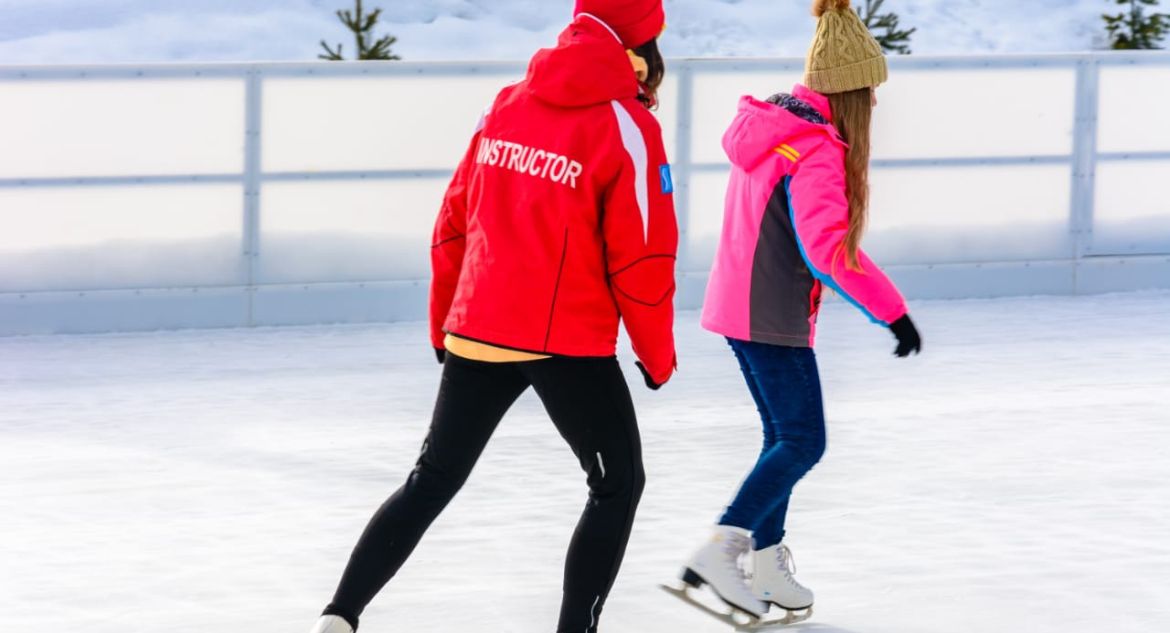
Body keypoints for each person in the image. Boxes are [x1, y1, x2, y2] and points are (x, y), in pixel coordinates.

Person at [308, 2, 678, 632]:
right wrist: (657, 357)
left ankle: (338, 617)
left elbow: (454, 221)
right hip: (566, 341)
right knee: (618, 483)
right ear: (639, 52)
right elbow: (643, 258)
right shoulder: (627, 126)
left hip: (477, 325)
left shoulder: (507, 102)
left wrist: (444, 325)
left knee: (431, 480)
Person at [677, 0, 922, 620]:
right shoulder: (814, 148)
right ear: (849, 92)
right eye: (870, 92)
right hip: (771, 317)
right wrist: (893, 313)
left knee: (782, 437)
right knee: (805, 441)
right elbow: (827, 252)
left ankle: (764, 568)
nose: (874, 106)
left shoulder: (771, 129)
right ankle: (722, 550)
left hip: (740, 310)